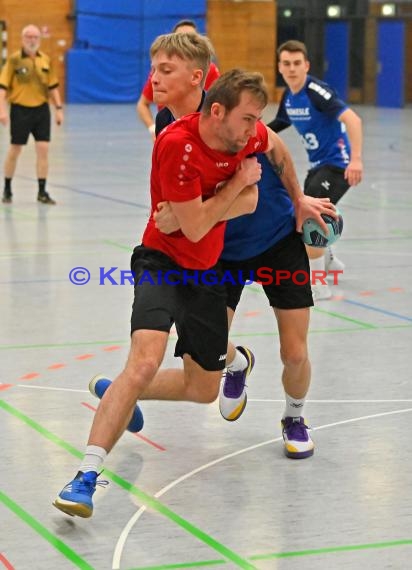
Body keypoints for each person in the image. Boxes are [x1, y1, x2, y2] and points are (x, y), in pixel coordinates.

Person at [53, 38, 282, 518]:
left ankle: (120, 391)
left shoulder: (248, 134)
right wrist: (233, 189)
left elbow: (253, 200)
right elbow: (197, 223)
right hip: (160, 263)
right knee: (144, 360)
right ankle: (85, 477)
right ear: (218, 111)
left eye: (164, 69)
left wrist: (286, 199)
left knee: (203, 389)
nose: (254, 129)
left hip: (208, 272)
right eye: (248, 119)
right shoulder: (175, 143)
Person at [151, 39, 336, 460]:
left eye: (168, 69)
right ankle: (236, 363)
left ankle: (294, 416)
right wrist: (179, 220)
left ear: (197, 76)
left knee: (295, 351)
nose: (158, 78)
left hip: (276, 239)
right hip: (224, 251)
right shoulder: (170, 133)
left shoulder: (236, 115)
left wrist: (299, 199)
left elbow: (278, 148)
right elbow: (181, 206)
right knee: (203, 346)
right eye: (157, 70)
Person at [268, 39, 363, 300]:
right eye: (286, 64)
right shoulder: (289, 97)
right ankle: (329, 260)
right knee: (313, 210)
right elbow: (279, 123)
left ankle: (319, 284)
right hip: (317, 166)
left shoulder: (316, 91)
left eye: (297, 63)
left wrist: (355, 160)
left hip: (337, 165)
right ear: (280, 67)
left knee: (310, 216)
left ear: (306, 65)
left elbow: (353, 119)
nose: (292, 69)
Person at [0, 24, 64, 205]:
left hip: (41, 110)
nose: (32, 40)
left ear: (39, 39)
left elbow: (53, 87)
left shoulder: (45, 60)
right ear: (22, 39)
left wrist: (58, 109)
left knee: (43, 149)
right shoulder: (14, 60)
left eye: (35, 37)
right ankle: (7, 188)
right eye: (28, 36)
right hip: (20, 110)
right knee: (15, 149)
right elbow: (2, 88)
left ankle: (42, 191)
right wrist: (2, 110)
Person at [136, 19, 219, 141]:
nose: (154, 79)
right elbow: (142, 104)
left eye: (167, 70)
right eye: (153, 69)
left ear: (196, 77)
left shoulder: (221, 123)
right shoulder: (163, 120)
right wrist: (152, 127)